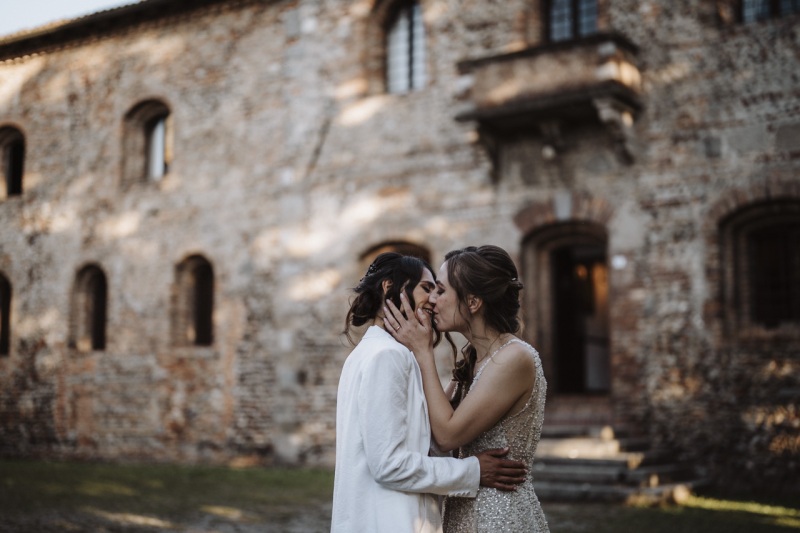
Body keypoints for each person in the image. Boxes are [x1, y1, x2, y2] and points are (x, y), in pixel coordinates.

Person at [331, 252, 528, 533]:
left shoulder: (378, 352)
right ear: (389, 288)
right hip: (391, 521)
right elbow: (389, 465)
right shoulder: (386, 355)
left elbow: (419, 441)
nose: (432, 300)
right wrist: (473, 471)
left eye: (439, 290)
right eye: (427, 288)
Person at [383, 245, 549, 532]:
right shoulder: (473, 356)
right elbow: (432, 431)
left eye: (441, 291)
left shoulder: (514, 358)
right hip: (464, 509)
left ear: (473, 302)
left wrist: (424, 353)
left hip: (500, 517)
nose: (432, 300)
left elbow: (448, 435)